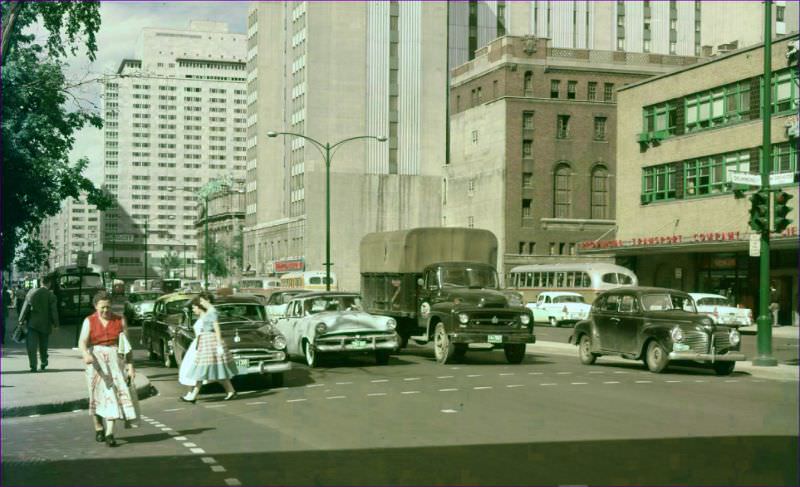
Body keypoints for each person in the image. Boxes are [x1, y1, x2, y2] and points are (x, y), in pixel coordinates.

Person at [78, 291, 138, 447]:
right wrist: (85, 354)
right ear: (95, 306)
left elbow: (127, 346)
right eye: (102, 307)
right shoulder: (89, 321)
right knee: (97, 396)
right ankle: (98, 427)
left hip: (115, 361)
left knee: (113, 395)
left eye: (108, 307)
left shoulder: (120, 320)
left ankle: (110, 433)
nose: (106, 311)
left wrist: (130, 366)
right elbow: (82, 342)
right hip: (96, 362)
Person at [178, 294, 238, 403]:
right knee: (215, 369)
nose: (201, 302)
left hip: (210, 342)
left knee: (202, 370)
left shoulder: (212, 311)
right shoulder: (208, 312)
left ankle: (193, 395)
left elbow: (216, 328)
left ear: (206, 300)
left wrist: (219, 345)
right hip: (205, 342)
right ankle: (231, 391)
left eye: (202, 301)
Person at [18, 276, 59, 372]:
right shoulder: (51, 296)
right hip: (45, 324)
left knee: (31, 345)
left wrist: (21, 320)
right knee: (43, 345)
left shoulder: (31, 292)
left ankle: (33, 365)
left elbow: (25, 308)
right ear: (49, 283)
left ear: (41, 282)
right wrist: (56, 324)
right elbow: (54, 311)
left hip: (32, 323)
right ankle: (44, 361)